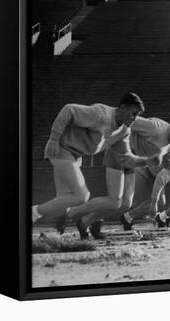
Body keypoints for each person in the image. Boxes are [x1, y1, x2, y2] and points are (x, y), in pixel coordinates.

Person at [31, 92, 146, 238]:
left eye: (137, 115)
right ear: (122, 108)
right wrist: (54, 139)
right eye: (133, 114)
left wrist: (146, 161)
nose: (135, 119)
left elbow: (125, 157)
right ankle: (33, 213)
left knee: (63, 206)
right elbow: (69, 110)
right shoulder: (101, 115)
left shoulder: (124, 130)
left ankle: (50, 236)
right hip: (61, 150)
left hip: (75, 157)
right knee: (82, 195)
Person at [119, 113, 170, 230]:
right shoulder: (156, 128)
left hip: (149, 168)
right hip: (131, 160)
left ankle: (127, 218)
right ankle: (94, 218)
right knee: (125, 201)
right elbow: (127, 119)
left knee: (159, 202)